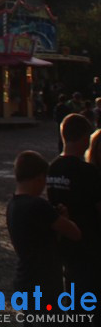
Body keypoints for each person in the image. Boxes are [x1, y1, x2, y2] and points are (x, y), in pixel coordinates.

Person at [6, 151, 80, 310]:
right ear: (39, 178)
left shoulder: (12, 205)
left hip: (24, 278)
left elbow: (44, 238)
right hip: (44, 283)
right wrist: (64, 218)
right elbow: (74, 233)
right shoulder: (38, 205)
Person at [47, 114, 101, 300]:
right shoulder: (88, 172)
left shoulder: (52, 168)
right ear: (85, 138)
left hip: (64, 242)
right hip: (90, 244)